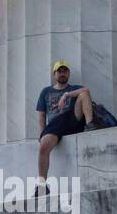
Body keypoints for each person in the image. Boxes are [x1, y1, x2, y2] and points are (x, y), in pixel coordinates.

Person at [34, 61, 94, 196]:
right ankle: (42, 185)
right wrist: (42, 133)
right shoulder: (46, 91)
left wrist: (66, 95)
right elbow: (41, 114)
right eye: (59, 71)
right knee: (44, 146)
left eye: (65, 71)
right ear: (54, 74)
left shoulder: (74, 88)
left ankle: (91, 126)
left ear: (68, 73)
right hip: (55, 125)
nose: (62, 73)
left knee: (84, 95)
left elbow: (86, 91)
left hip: (72, 118)